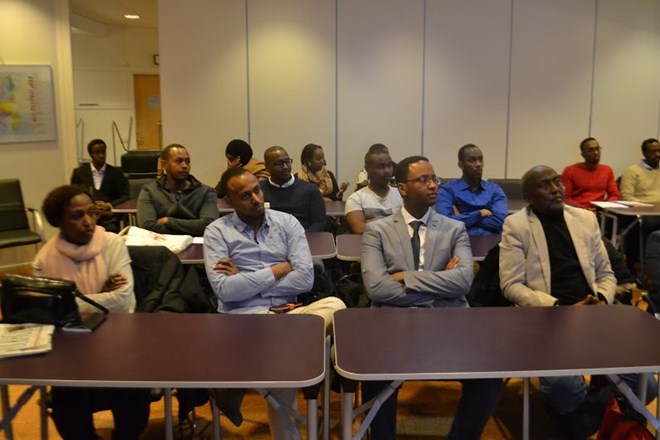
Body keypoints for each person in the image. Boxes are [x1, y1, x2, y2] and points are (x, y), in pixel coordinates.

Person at [499, 165, 655, 438]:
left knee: (649, 386)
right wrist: (560, 307)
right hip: (549, 319)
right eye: (545, 185)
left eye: (557, 182)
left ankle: (580, 420)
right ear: (529, 197)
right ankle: (590, 414)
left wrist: (601, 299)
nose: (555, 189)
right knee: (565, 387)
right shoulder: (517, 225)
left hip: (595, 316)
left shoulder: (584, 218)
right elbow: (510, 285)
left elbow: (606, 274)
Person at [360, 156, 503, 440]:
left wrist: (406, 277)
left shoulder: (454, 228)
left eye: (434, 179)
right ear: (402, 187)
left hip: (449, 323)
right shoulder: (377, 231)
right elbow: (377, 288)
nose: (433, 185)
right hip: (394, 323)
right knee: (375, 376)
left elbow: (463, 282)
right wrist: (440, 280)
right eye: (423, 180)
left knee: (489, 378)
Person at [204, 167, 345, 439]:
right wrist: (278, 270)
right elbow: (225, 290)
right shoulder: (217, 232)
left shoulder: (287, 223)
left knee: (336, 306)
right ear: (229, 201)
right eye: (245, 196)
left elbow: (305, 279)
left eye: (257, 190)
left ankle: (235, 386)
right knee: (283, 375)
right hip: (243, 323)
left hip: (288, 316)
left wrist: (246, 280)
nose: (256, 199)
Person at [33, 185, 150, 439]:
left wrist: (67, 301)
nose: (88, 222)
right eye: (77, 216)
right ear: (58, 221)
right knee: (66, 404)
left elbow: (122, 301)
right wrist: (100, 293)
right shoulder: (44, 260)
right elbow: (47, 313)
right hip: (71, 351)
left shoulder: (112, 243)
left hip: (120, 345)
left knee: (135, 396)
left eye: (91, 213)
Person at [137, 144, 218, 236]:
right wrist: (193, 228)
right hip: (162, 243)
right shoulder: (149, 191)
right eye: (178, 161)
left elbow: (209, 225)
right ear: (164, 164)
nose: (185, 166)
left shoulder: (206, 192)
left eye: (187, 161)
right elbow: (147, 227)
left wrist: (168, 221)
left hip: (195, 243)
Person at [435, 144, 507, 236]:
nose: (478, 164)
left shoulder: (495, 190)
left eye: (480, 159)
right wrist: (480, 214)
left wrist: (462, 217)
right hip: (459, 241)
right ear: (461, 165)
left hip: (491, 242)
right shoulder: (448, 190)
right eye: (472, 160)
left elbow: (501, 223)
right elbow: (445, 223)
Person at [260, 146, 327, 231]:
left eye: (287, 161)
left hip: (303, 236)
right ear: (267, 167)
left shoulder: (310, 190)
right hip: (267, 236)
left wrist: (299, 237)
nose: (285, 167)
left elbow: (319, 224)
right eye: (279, 163)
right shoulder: (258, 190)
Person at [70, 138, 129, 232]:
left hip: (109, 217)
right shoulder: (79, 173)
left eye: (103, 152)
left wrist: (109, 205)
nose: (101, 155)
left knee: (111, 229)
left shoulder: (116, 173)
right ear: (91, 154)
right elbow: (73, 195)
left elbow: (125, 196)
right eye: (97, 152)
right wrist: (90, 205)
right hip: (87, 215)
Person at [344, 143, 401, 234]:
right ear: (367, 169)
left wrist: (372, 223)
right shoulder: (356, 198)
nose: (387, 170)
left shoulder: (401, 195)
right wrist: (395, 224)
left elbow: (409, 226)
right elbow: (359, 229)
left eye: (390, 165)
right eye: (381, 167)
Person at [561, 137, 620, 209]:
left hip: (599, 210)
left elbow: (614, 195)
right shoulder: (570, 171)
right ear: (583, 154)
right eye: (591, 150)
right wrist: (584, 209)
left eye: (597, 149)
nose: (596, 153)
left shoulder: (607, 170)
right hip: (578, 210)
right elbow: (566, 198)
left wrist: (606, 207)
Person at [620, 138, 660, 204]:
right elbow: (627, 198)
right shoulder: (632, 171)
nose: (658, 154)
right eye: (653, 151)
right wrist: (647, 206)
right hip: (642, 208)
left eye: (659, 151)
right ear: (644, 153)